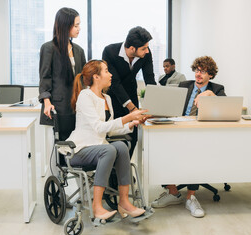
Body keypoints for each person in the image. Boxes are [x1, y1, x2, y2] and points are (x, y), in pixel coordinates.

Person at [67, 60, 150, 220]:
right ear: (96, 77)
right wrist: (127, 117)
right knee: (110, 149)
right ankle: (97, 207)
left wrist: (131, 124)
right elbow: (98, 127)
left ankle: (124, 202)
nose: (111, 74)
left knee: (121, 145)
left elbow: (109, 130)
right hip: (80, 150)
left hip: (99, 148)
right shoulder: (85, 96)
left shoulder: (107, 98)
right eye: (106, 71)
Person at [151, 56, 226, 218]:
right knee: (156, 148)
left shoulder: (217, 89)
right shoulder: (184, 85)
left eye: (204, 71)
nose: (199, 74)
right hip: (178, 128)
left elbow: (224, 108)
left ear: (210, 75)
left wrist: (210, 94)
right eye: (197, 70)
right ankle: (173, 192)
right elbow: (170, 105)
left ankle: (190, 197)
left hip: (201, 133)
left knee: (195, 152)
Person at [102, 26, 157, 157]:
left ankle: (123, 171)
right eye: (143, 48)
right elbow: (115, 83)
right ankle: (112, 175)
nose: (147, 51)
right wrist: (132, 109)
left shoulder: (145, 55)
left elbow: (150, 80)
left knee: (133, 135)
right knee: (116, 136)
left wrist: (155, 108)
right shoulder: (110, 51)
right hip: (113, 99)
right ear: (132, 48)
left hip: (132, 95)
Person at [38, 7, 86, 142]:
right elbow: (44, 78)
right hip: (57, 108)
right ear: (65, 26)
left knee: (76, 146)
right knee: (59, 150)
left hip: (76, 107)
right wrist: (47, 102)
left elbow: (83, 79)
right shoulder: (48, 48)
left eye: (79, 25)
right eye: (76, 25)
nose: (79, 28)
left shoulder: (79, 50)